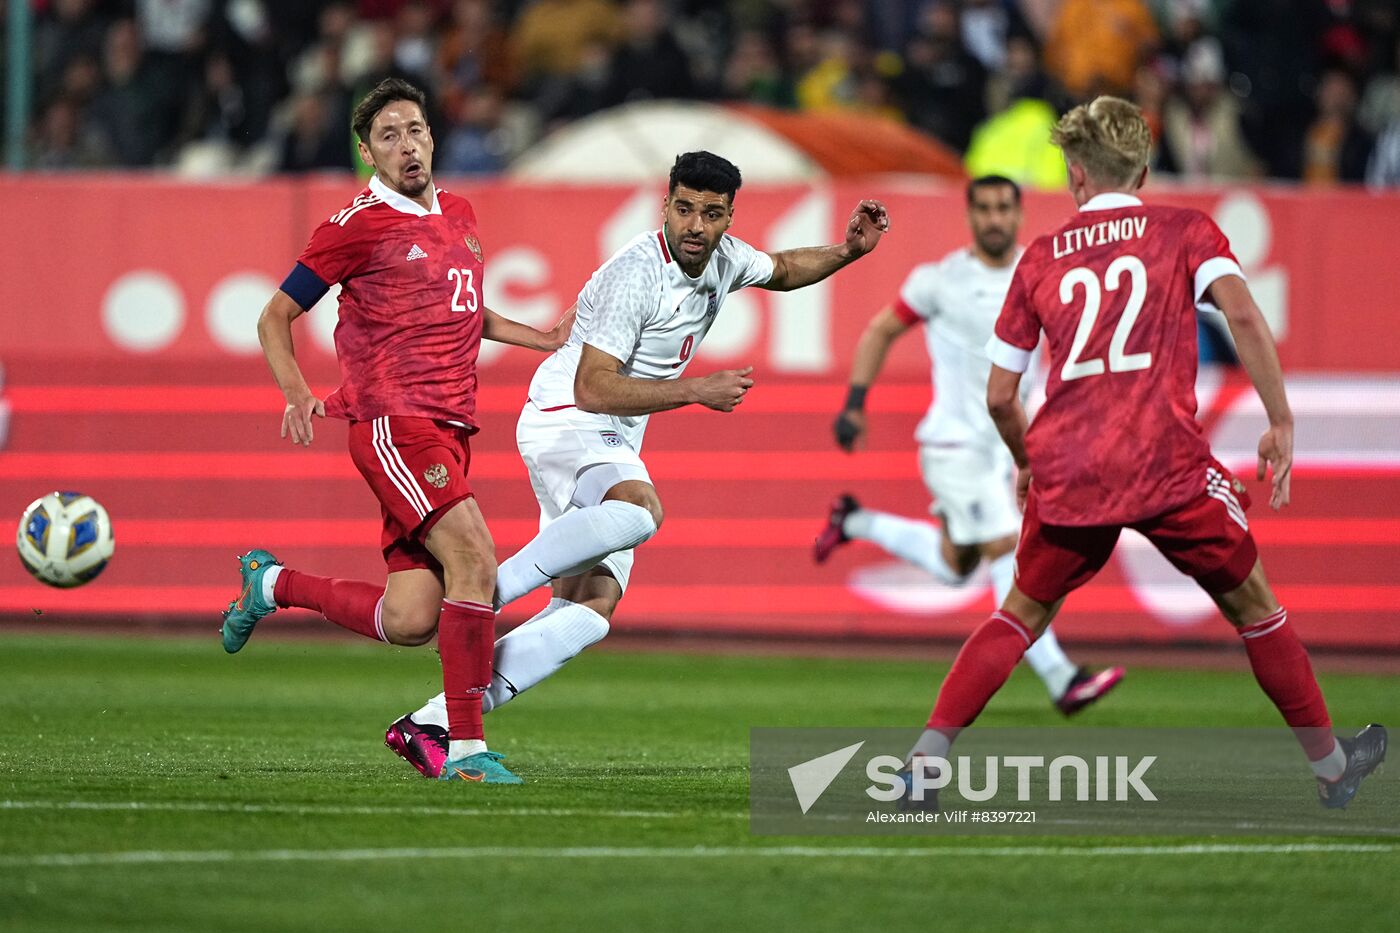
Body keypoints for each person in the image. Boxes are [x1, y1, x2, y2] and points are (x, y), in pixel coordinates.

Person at [899, 96, 1385, 811]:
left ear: (1074, 174)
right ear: (1146, 171)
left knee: (1019, 615)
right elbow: (1243, 313)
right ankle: (1333, 768)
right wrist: (1279, 419)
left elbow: (1001, 394)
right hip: (1166, 464)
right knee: (1255, 610)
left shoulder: (1038, 257)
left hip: (1071, 467)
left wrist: (1028, 461)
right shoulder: (1184, 230)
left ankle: (920, 768)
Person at [382, 151, 890, 778]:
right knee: (639, 510)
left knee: (588, 614)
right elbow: (595, 388)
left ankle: (432, 724)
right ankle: (481, 593)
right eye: (684, 209)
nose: (695, 226)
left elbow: (783, 269)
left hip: (608, 435)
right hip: (568, 418)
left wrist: (849, 251)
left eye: (710, 213)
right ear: (665, 206)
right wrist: (696, 390)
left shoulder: (726, 260)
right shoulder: (636, 276)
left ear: (729, 217)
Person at [219, 78, 573, 786]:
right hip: (393, 422)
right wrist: (297, 391)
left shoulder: (461, 213)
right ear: (367, 153)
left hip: (449, 425)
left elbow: (465, 308)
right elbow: (273, 317)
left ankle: (273, 583)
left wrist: (542, 338)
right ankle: (466, 752)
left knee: (412, 617)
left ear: (433, 137)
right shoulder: (354, 225)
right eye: (388, 136)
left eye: (415, 129)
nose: (406, 144)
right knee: (475, 559)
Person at [815, 175, 1124, 716]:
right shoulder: (939, 281)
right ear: (970, 215)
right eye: (984, 208)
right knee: (1007, 546)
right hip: (955, 446)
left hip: (1006, 447)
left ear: (1018, 212)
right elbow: (880, 330)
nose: (994, 218)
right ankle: (1062, 679)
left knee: (957, 564)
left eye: (1003, 207)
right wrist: (854, 403)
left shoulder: (1042, 271)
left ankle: (854, 521)